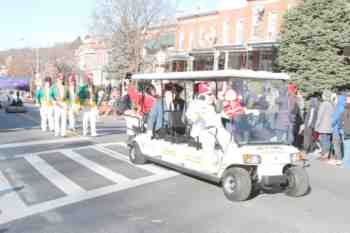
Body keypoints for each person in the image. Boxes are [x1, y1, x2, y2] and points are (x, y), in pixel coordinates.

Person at [186, 82, 232, 173]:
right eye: (209, 94)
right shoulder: (195, 104)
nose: (212, 96)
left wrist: (218, 100)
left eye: (212, 94)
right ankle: (210, 167)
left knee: (228, 139)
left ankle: (229, 162)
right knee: (209, 138)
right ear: (203, 96)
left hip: (217, 130)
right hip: (203, 131)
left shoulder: (213, 105)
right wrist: (197, 117)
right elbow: (189, 120)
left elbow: (220, 113)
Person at [315, 90, 334, 160]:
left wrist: (317, 125)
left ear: (325, 96)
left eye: (323, 95)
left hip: (323, 126)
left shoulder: (324, 104)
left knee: (323, 140)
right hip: (329, 126)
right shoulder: (331, 104)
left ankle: (325, 154)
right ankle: (326, 153)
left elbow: (320, 115)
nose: (322, 96)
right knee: (327, 140)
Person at [79, 73, 98, 137]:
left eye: (92, 78)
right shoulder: (83, 88)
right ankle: (85, 131)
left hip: (93, 105)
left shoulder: (95, 87)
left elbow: (97, 96)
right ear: (87, 79)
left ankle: (93, 132)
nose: (91, 80)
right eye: (89, 78)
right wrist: (82, 104)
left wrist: (96, 104)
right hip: (86, 105)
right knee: (85, 119)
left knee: (93, 119)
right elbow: (80, 96)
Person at [329, 95, 345, 166]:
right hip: (342, 129)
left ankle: (338, 159)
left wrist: (331, 123)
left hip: (336, 128)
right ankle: (340, 158)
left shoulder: (339, 108)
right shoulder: (344, 107)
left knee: (336, 144)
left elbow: (335, 118)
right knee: (341, 144)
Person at [52, 73, 68, 137]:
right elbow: (51, 95)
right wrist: (54, 101)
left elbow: (68, 97)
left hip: (64, 104)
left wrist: (67, 104)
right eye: (60, 79)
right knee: (57, 119)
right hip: (57, 104)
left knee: (64, 119)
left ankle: (63, 132)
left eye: (62, 79)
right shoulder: (54, 87)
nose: (61, 80)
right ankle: (57, 131)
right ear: (57, 79)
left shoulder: (65, 87)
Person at [341, 95, 350, 168]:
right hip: (347, 131)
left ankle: (345, 164)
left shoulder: (345, 108)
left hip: (345, 130)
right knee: (347, 148)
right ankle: (345, 164)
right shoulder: (346, 108)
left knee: (347, 148)